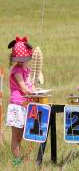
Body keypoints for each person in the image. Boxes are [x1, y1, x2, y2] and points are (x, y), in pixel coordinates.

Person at [6, 36, 35, 166]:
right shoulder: (16, 70)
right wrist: (32, 91)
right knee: (16, 137)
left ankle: (20, 157)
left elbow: (29, 85)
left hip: (25, 105)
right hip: (17, 106)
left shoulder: (26, 70)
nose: (22, 61)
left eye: (24, 59)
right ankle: (17, 161)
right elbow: (23, 87)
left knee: (23, 134)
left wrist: (35, 89)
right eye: (20, 59)